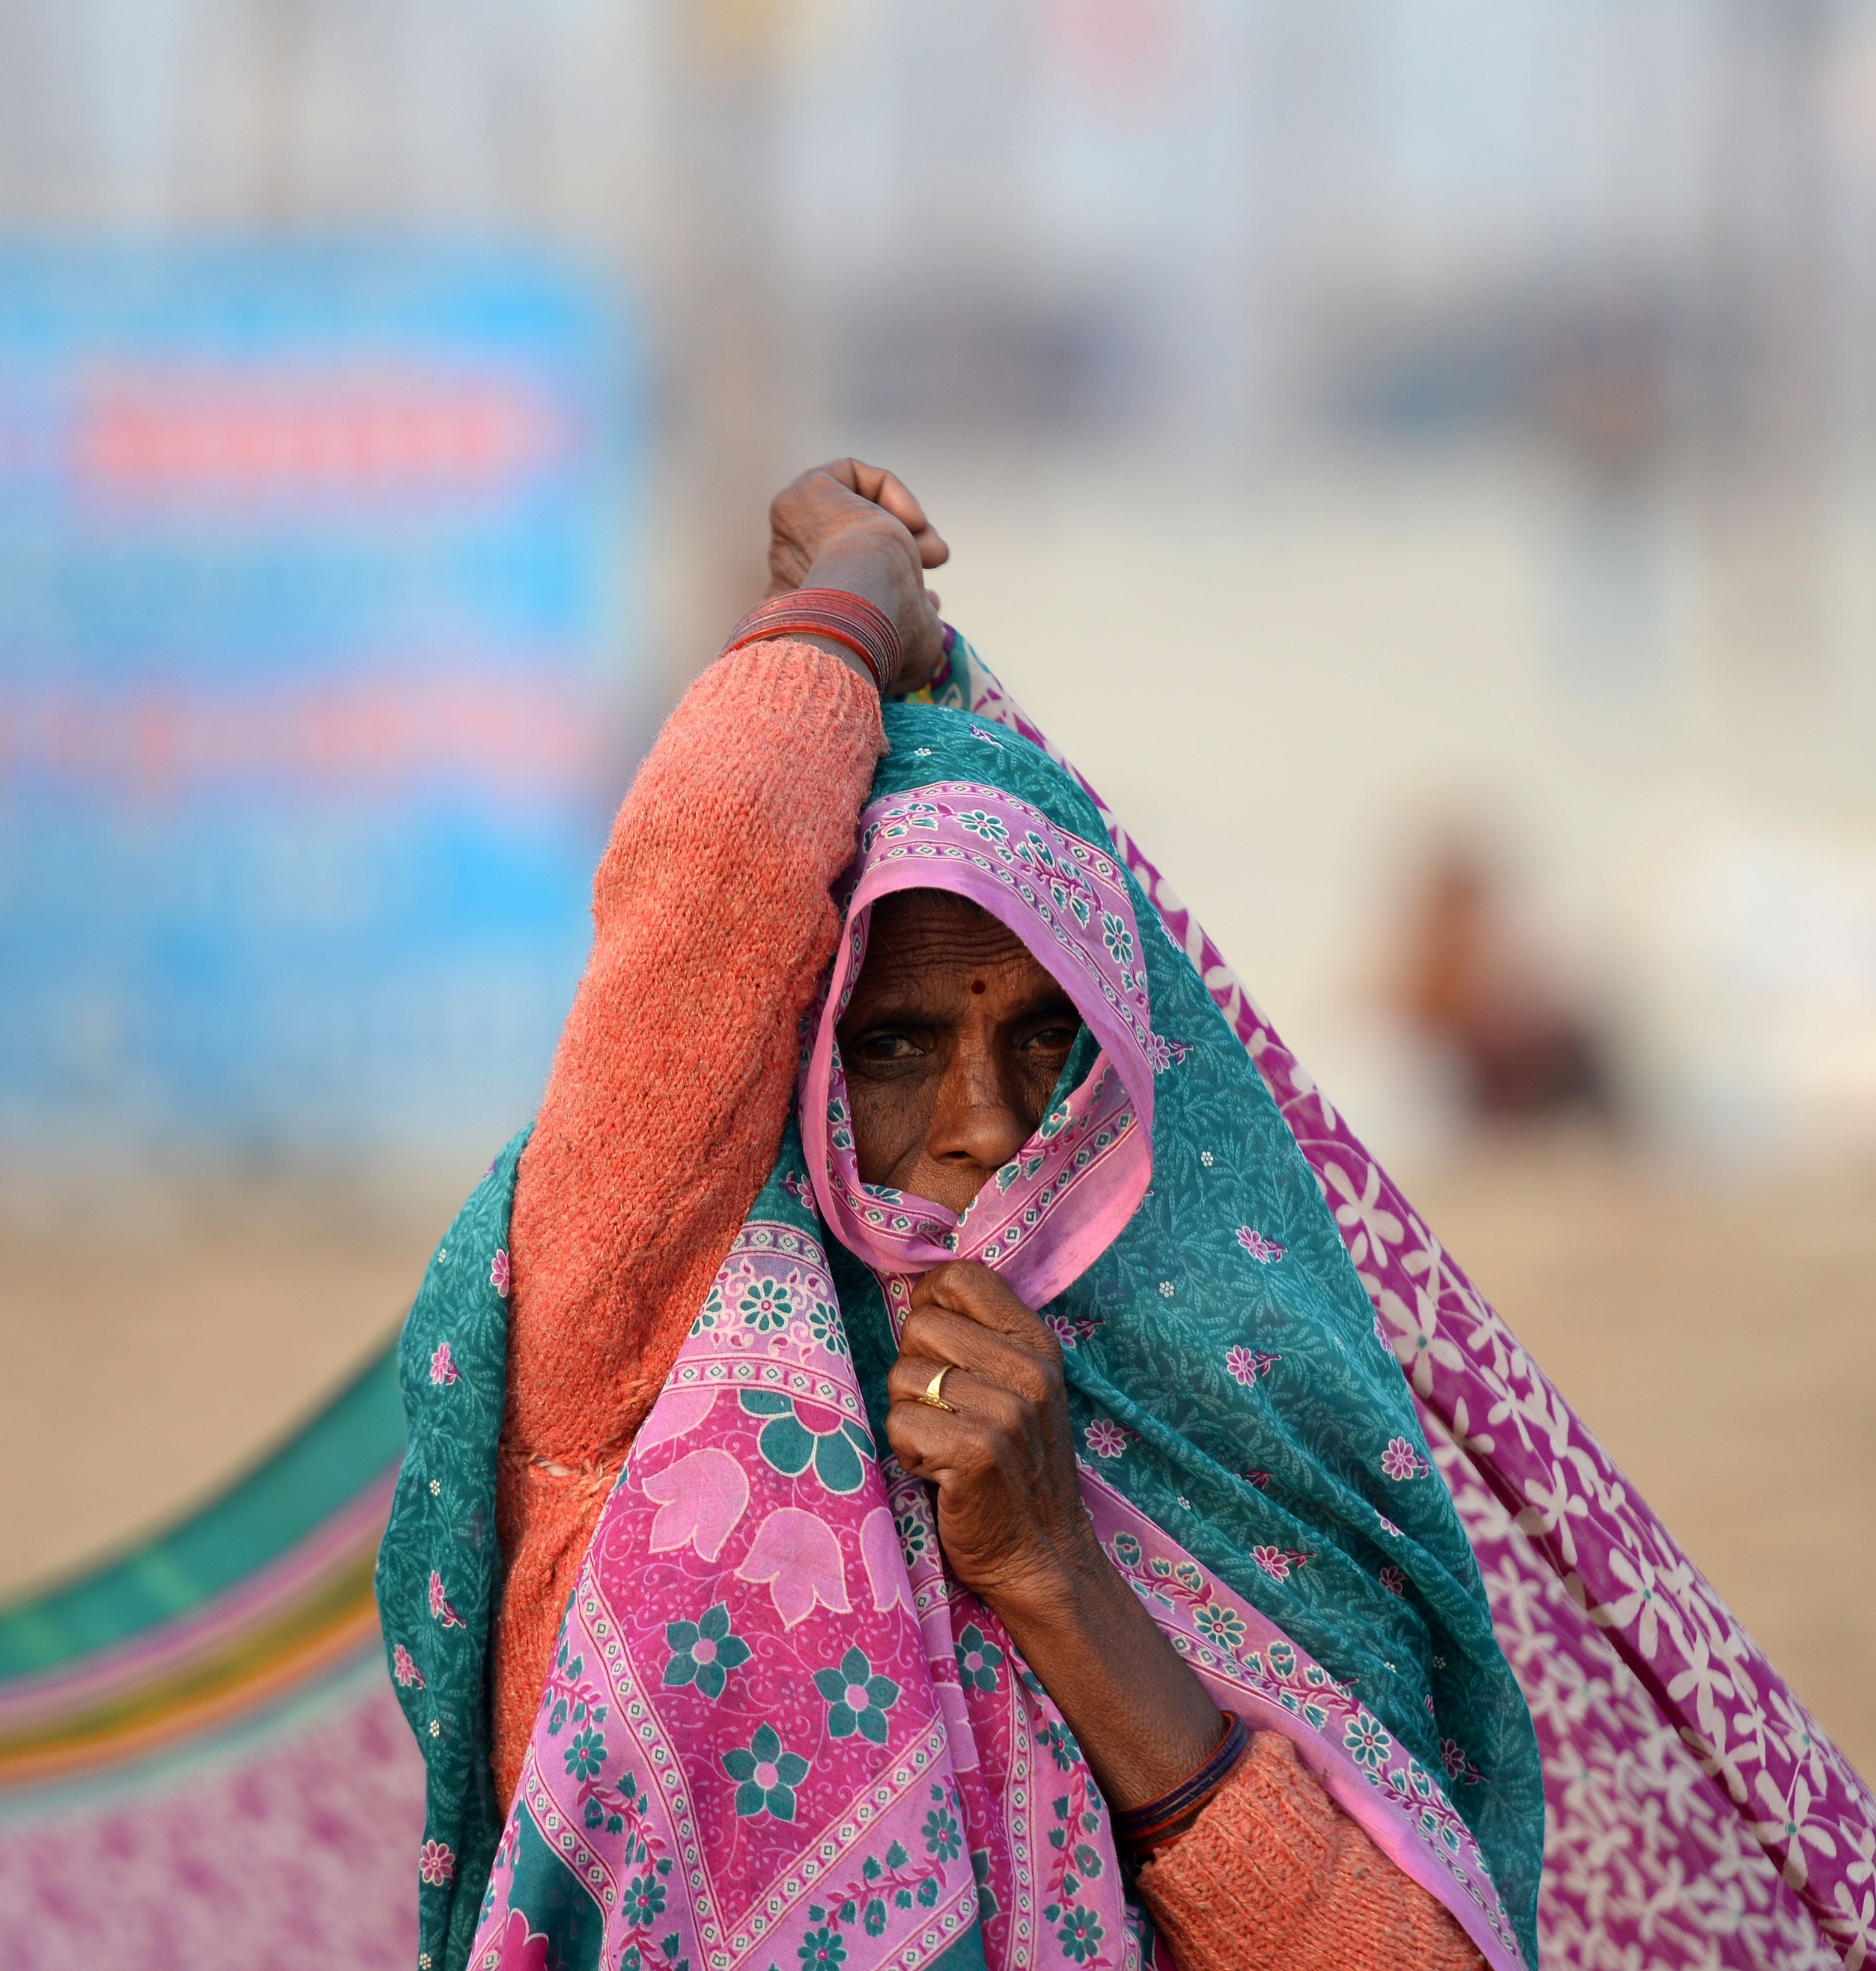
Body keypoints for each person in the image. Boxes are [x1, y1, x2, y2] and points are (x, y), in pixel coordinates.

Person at [378, 462, 1542, 1971]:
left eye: (1049, 1039)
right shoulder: (632, 1334)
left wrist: (1059, 1575)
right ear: (789, 1047)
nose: (988, 1122)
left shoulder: (1220, 1431)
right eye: (896, 1042)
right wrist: (852, 596)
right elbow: (716, 861)